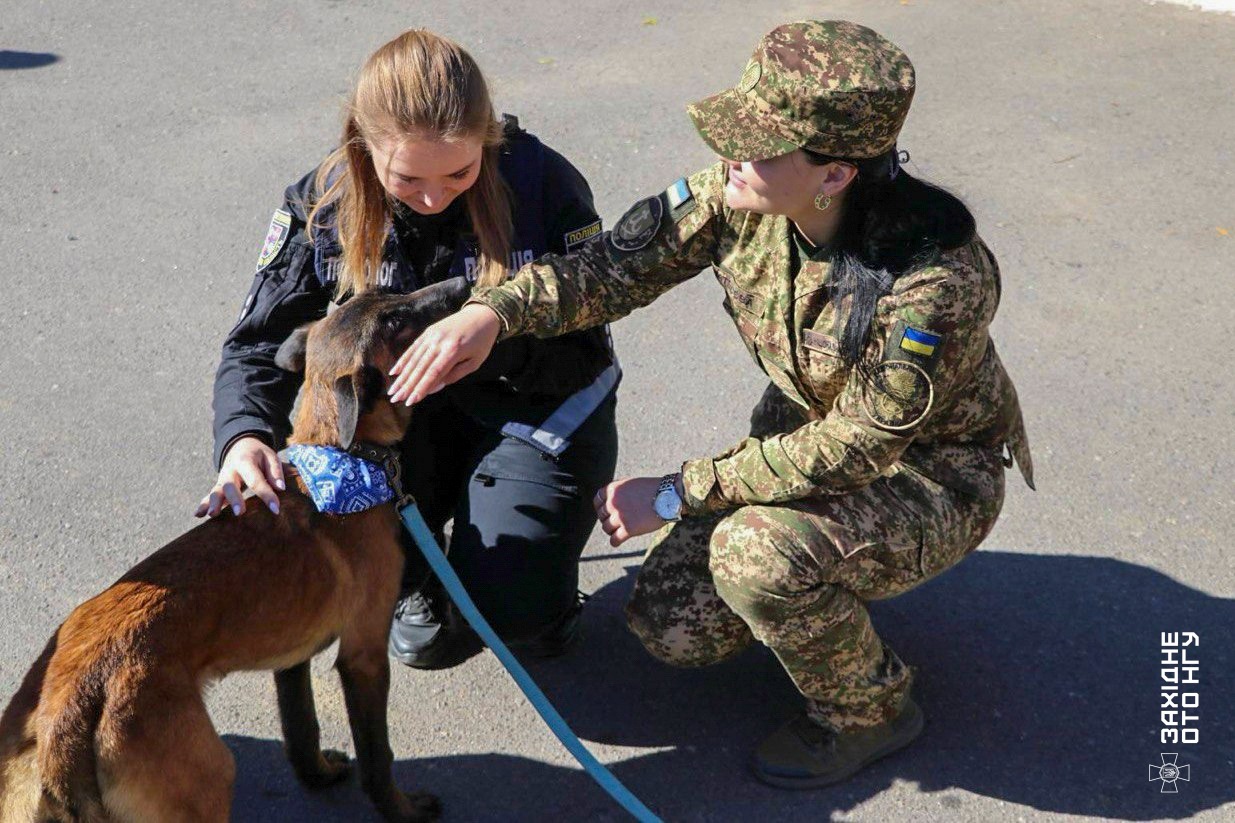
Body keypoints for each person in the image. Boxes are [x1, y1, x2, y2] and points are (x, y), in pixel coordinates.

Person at [386, 20, 1035, 788]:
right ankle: (815, 600)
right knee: (672, 626)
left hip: (928, 475)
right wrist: (492, 313)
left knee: (754, 558)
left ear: (834, 175)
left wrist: (676, 492)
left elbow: (859, 447)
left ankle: (870, 709)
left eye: (759, 144)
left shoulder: (936, 281)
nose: (731, 153)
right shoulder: (740, 196)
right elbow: (607, 270)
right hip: (802, 437)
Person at [198, 29, 620, 669]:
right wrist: (243, 437)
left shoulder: (544, 184)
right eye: (407, 178)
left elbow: (586, 353)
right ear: (366, 151)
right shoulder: (324, 199)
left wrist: (494, 344)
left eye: (459, 171)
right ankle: (422, 577)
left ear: (487, 139)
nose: (433, 196)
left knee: (514, 610)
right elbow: (258, 343)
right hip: (401, 418)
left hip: (530, 402)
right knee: (362, 568)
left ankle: (538, 598)